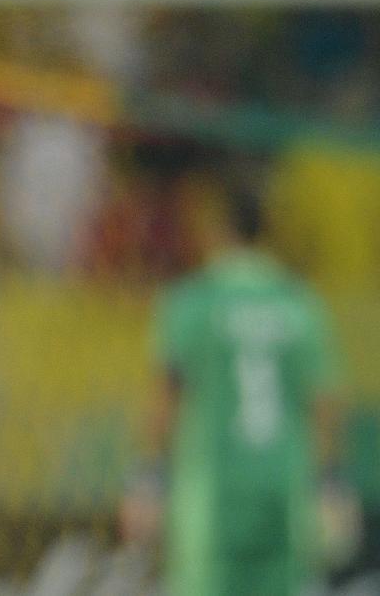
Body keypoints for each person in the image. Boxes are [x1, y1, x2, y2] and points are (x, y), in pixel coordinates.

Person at [133, 178, 343, 596]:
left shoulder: (193, 301)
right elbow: (324, 401)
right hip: (283, 487)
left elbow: (166, 397)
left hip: (213, 493)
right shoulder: (299, 303)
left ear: (217, 228)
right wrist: (330, 481)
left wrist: (148, 477)